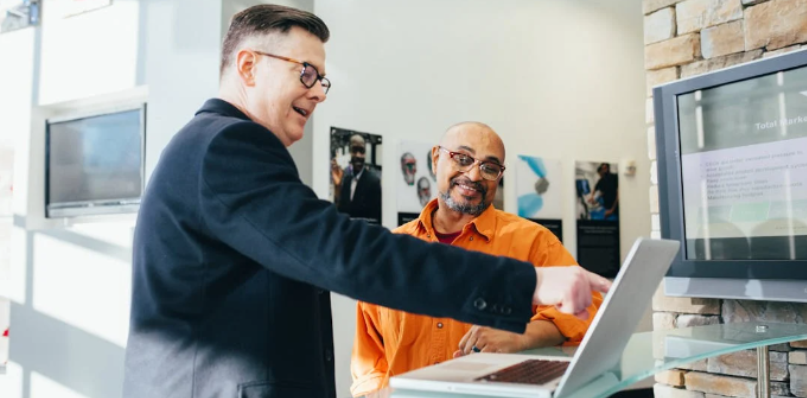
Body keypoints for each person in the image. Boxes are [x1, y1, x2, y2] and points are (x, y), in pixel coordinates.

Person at [122, 5, 611, 398]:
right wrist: (530, 283)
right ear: (248, 65)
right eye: (306, 73)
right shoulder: (227, 146)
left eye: (322, 79)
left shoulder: (213, 147)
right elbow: (344, 253)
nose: (318, 93)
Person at [350, 123, 604, 397]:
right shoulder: (391, 251)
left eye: (489, 167)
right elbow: (369, 358)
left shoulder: (533, 241)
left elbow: (590, 310)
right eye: (463, 159)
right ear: (436, 159)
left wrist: (521, 334)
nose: (474, 175)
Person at [334, 134, 382, 224]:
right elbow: (340, 213)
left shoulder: (373, 182)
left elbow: (376, 220)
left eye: (362, 151)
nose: (358, 155)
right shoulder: (346, 179)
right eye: (354, 150)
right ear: (349, 152)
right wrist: (337, 187)